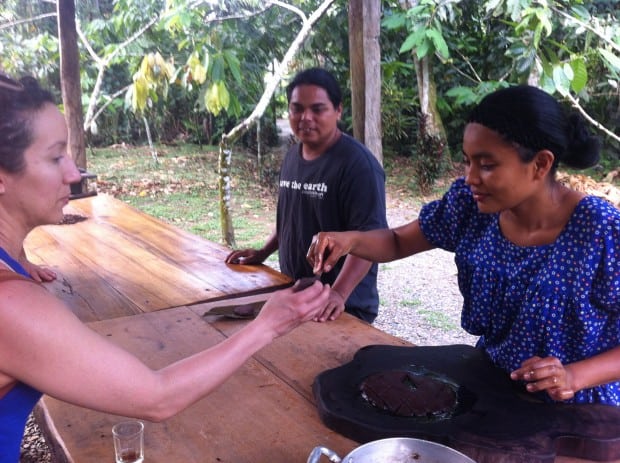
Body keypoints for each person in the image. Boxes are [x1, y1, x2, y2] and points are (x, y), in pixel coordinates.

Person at [0, 73, 330, 463]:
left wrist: (19, 261)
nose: (74, 174)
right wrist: (267, 325)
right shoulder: (11, 305)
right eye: (56, 157)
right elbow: (157, 397)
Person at [308, 84, 620, 405]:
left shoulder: (600, 229)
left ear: (540, 164)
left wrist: (573, 376)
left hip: (581, 411)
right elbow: (397, 242)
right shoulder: (471, 206)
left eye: (486, 165)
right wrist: (349, 240)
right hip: (492, 390)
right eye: (468, 161)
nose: (470, 177)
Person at [225, 67, 387, 323]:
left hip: (340, 307)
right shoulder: (293, 156)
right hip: (296, 292)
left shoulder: (358, 166)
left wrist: (338, 294)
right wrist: (262, 253)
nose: (305, 117)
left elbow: (371, 239)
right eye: (297, 108)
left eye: (318, 109)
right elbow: (291, 219)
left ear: (338, 110)